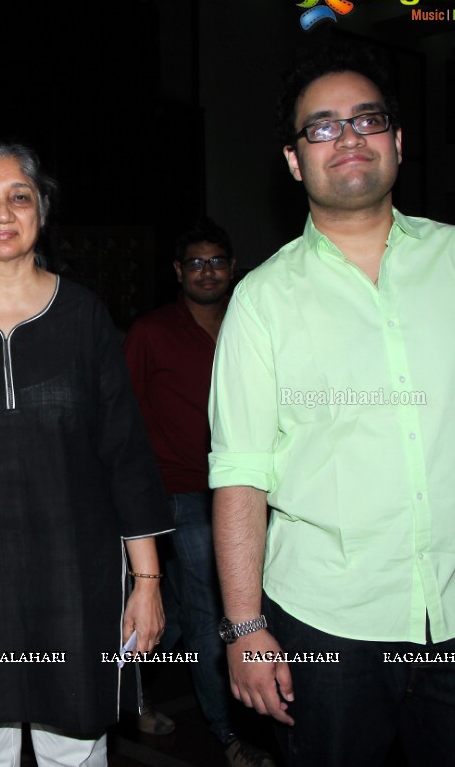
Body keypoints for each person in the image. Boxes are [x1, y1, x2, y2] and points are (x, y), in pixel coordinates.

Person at [209, 44, 455, 767]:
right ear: (295, 162)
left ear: (397, 141)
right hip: (327, 626)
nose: (349, 136)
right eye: (322, 127)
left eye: (368, 119)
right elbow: (240, 470)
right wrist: (242, 627)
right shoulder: (263, 300)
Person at [0, 143, 172, 766]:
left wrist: (147, 581)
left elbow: (124, 454)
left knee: (74, 748)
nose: (1, 212)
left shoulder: (83, 314)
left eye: (18, 196)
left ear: (41, 210)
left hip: (76, 578)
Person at [124, 220, 275, 767]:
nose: (206, 271)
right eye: (195, 262)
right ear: (178, 272)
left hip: (258, 492)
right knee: (221, 610)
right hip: (184, 495)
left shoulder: (254, 320)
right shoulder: (152, 332)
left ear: (232, 268)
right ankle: (228, 732)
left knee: (197, 615)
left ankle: (130, 688)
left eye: (216, 262)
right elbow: (124, 420)